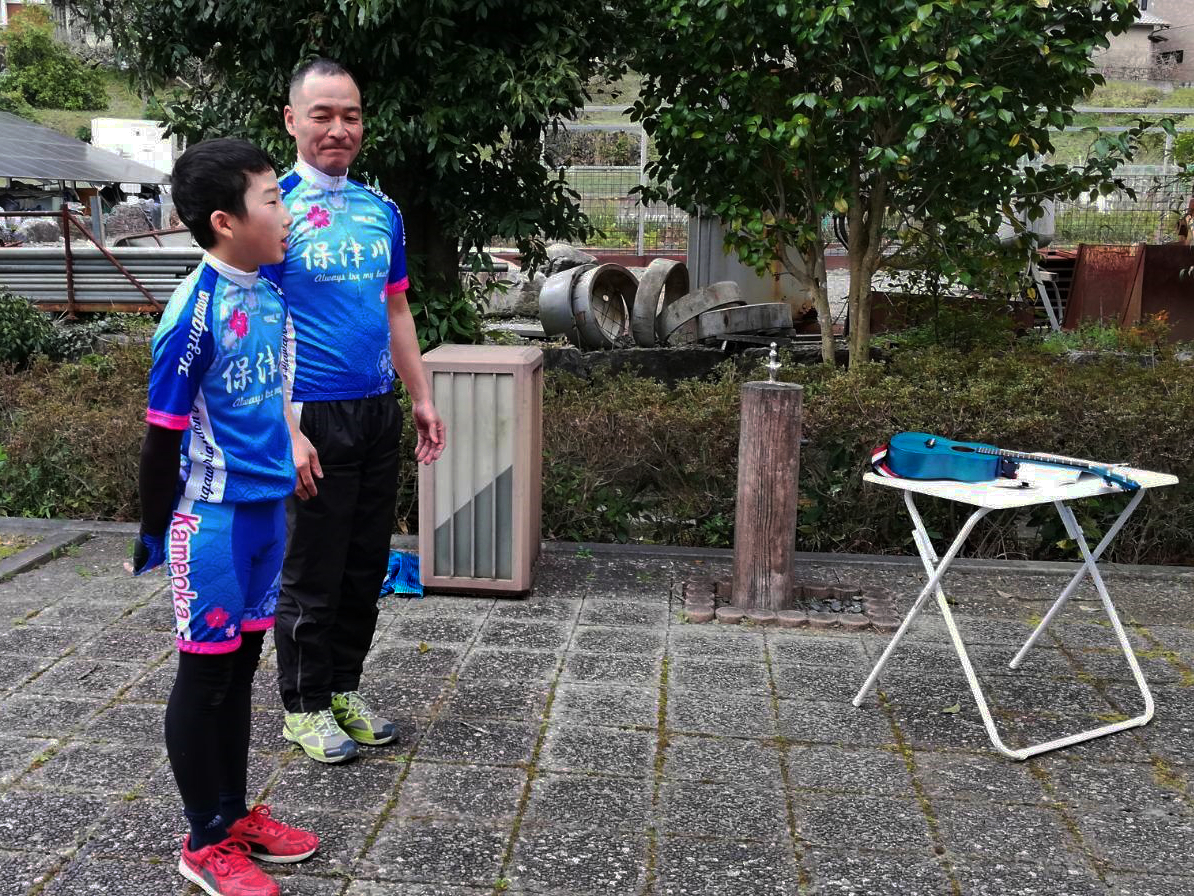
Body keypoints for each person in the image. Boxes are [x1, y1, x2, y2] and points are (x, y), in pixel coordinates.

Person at [131, 137, 318, 896]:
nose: (286, 213)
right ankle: (202, 841)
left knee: (240, 673)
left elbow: (277, 394)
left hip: (267, 517)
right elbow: (160, 436)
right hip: (210, 525)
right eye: (272, 200)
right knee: (205, 678)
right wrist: (151, 530)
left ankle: (233, 815)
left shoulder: (268, 291)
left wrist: (294, 442)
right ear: (225, 221)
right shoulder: (192, 314)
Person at [263, 58, 445, 764]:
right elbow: (256, 323)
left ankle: (342, 689)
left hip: (376, 410)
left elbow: (395, 309)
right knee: (313, 567)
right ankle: (304, 706)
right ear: (292, 120)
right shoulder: (272, 210)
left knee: (365, 565)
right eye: (322, 115)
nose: (339, 128)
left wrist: (420, 397)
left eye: (351, 115)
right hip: (310, 414)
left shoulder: (381, 211)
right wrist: (285, 428)